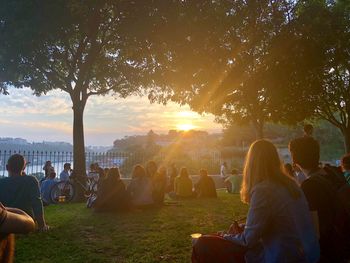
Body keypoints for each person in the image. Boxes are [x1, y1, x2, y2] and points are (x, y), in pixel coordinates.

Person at [192, 140, 320, 263]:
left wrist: (223, 235)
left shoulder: (264, 190)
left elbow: (248, 240)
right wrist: (245, 228)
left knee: (203, 244)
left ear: (251, 163)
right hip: (308, 254)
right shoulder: (291, 184)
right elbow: (278, 222)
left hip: (283, 257)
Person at [289, 136, 346, 262]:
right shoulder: (333, 172)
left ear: (295, 159)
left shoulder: (310, 186)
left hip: (328, 251)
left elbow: (315, 233)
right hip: (343, 243)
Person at [0, 154, 49, 231]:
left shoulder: (1, 183)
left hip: (6, 220)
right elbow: (36, 203)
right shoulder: (31, 181)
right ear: (24, 167)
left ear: (7, 167)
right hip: (26, 220)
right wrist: (42, 225)